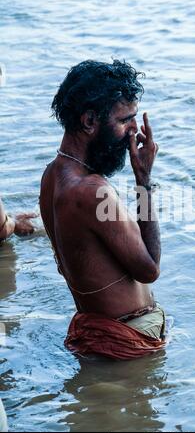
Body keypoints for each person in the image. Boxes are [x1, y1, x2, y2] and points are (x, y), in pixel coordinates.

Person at [40, 60, 166, 360]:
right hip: (128, 342)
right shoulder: (92, 191)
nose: (133, 132)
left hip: (98, 336)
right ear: (89, 121)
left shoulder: (51, 176)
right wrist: (143, 180)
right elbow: (149, 269)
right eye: (125, 120)